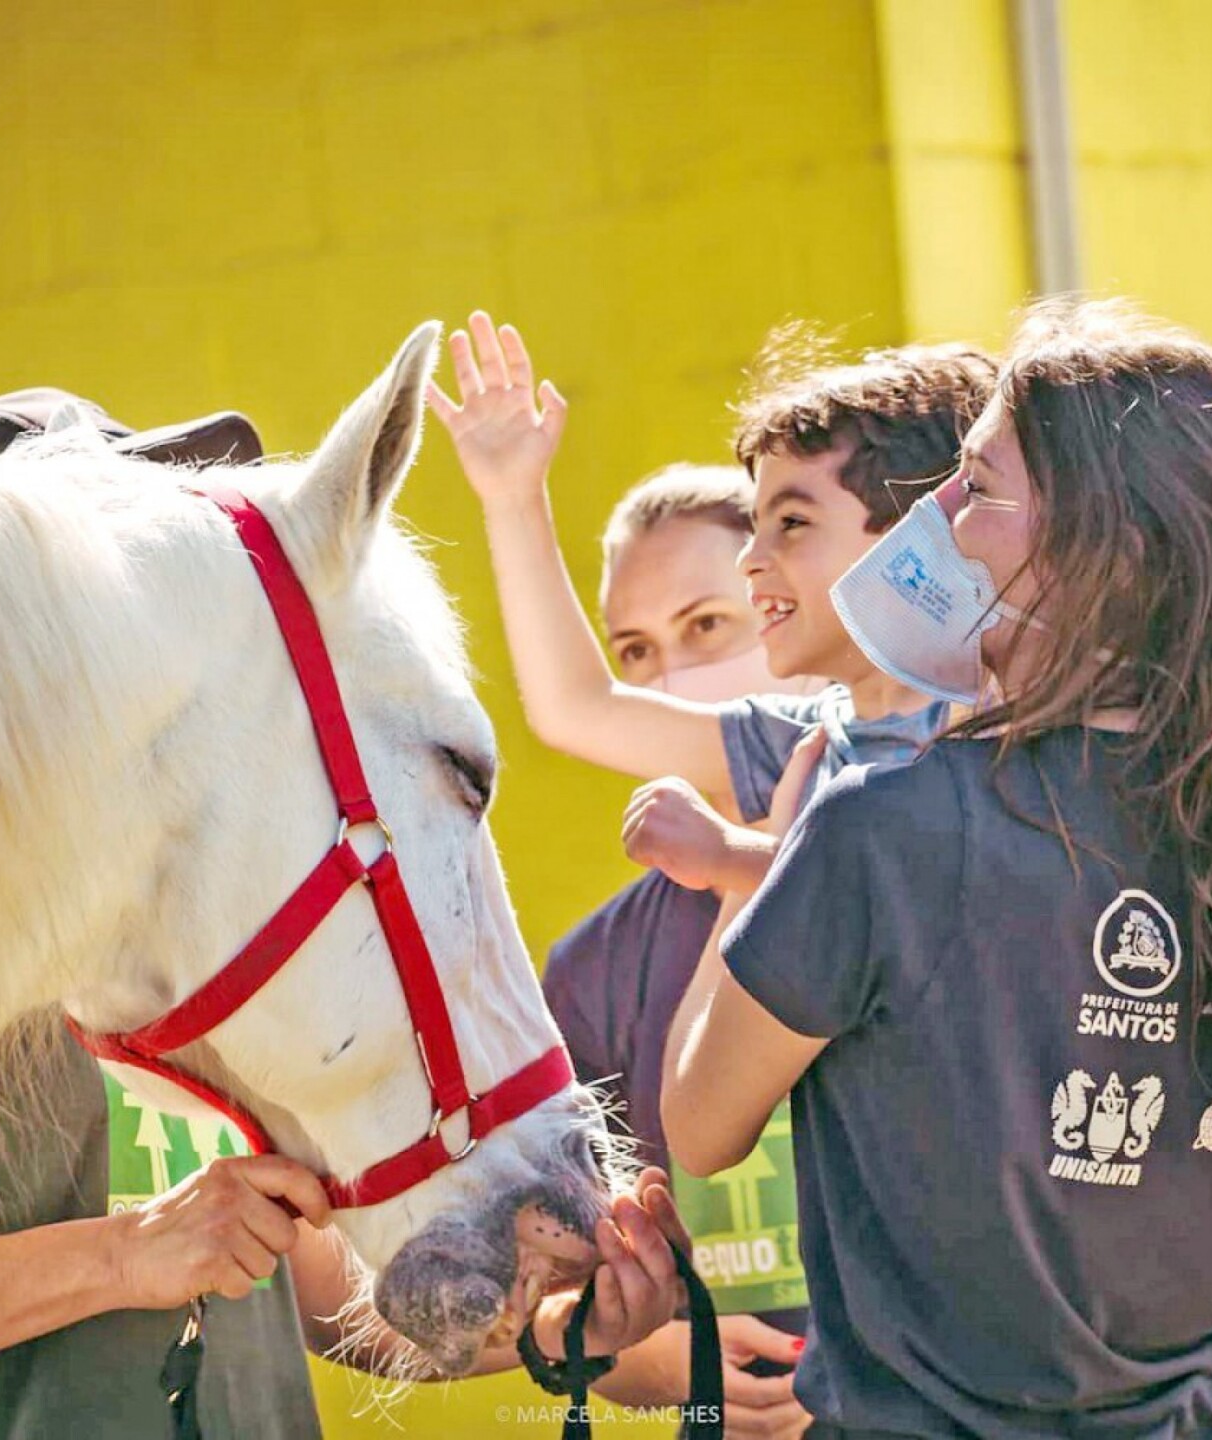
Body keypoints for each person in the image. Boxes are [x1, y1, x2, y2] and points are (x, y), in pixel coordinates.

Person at [0, 392, 694, 1437]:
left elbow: (312, 1289)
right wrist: (122, 1258)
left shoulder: (190, 950)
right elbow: (170, 1248)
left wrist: (553, 1333)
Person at [661, 298, 1212, 1437]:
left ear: (1096, 549)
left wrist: (755, 869)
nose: (935, 516)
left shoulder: (881, 822)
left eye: (974, 487)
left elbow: (699, 1124)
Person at [430, 315, 995, 1435]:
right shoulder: (811, 738)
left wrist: (737, 860)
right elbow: (572, 708)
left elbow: (919, 909)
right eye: (638, 644)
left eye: (708, 626)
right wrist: (509, 497)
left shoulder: (995, 729)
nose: (756, 563)